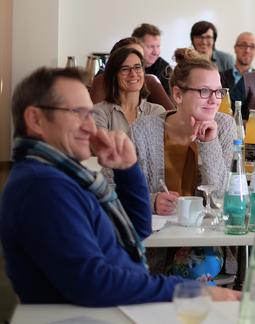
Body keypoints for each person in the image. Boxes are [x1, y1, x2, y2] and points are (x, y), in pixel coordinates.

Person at [0, 66, 239, 306]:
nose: (91, 127)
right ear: (36, 119)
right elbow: (93, 283)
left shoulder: (62, 174)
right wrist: (191, 291)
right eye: (78, 114)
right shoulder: (43, 187)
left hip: (118, 304)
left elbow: (136, 228)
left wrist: (127, 170)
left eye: (90, 115)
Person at [131, 48, 236, 280]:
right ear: (178, 94)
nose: (214, 100)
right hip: (152, 241)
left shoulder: (225, 126)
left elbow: (222, 197)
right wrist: (152, 200)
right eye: (205, 91)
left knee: (197, 268)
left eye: (219, 92)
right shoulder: (143, 129)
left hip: (204, 241)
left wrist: (209, 143)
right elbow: (118, 191)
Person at [93, 47, 165, 135]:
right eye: (125, 69)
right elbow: (103, 147)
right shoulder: (99, 112)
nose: (133, 74)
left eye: (137, 67)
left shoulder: (157, 111)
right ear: (113, 76)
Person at [90, 37, 173, 110]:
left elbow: (172, 115)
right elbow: (94, 118)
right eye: (128, 55)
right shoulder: (103, 80)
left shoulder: (150, 81)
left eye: (140, 58)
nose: (134, 59)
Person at [131, 23, 172, 96]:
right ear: (136, 46)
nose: (156, 52)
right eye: (151, 47)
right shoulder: (124, 66)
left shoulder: (165, 69)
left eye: (158, 46)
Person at [220, 32, 255, 110]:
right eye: (243, 45)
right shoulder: (220, 77)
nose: (247, 50)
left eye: (252, 46)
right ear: (235, 48)